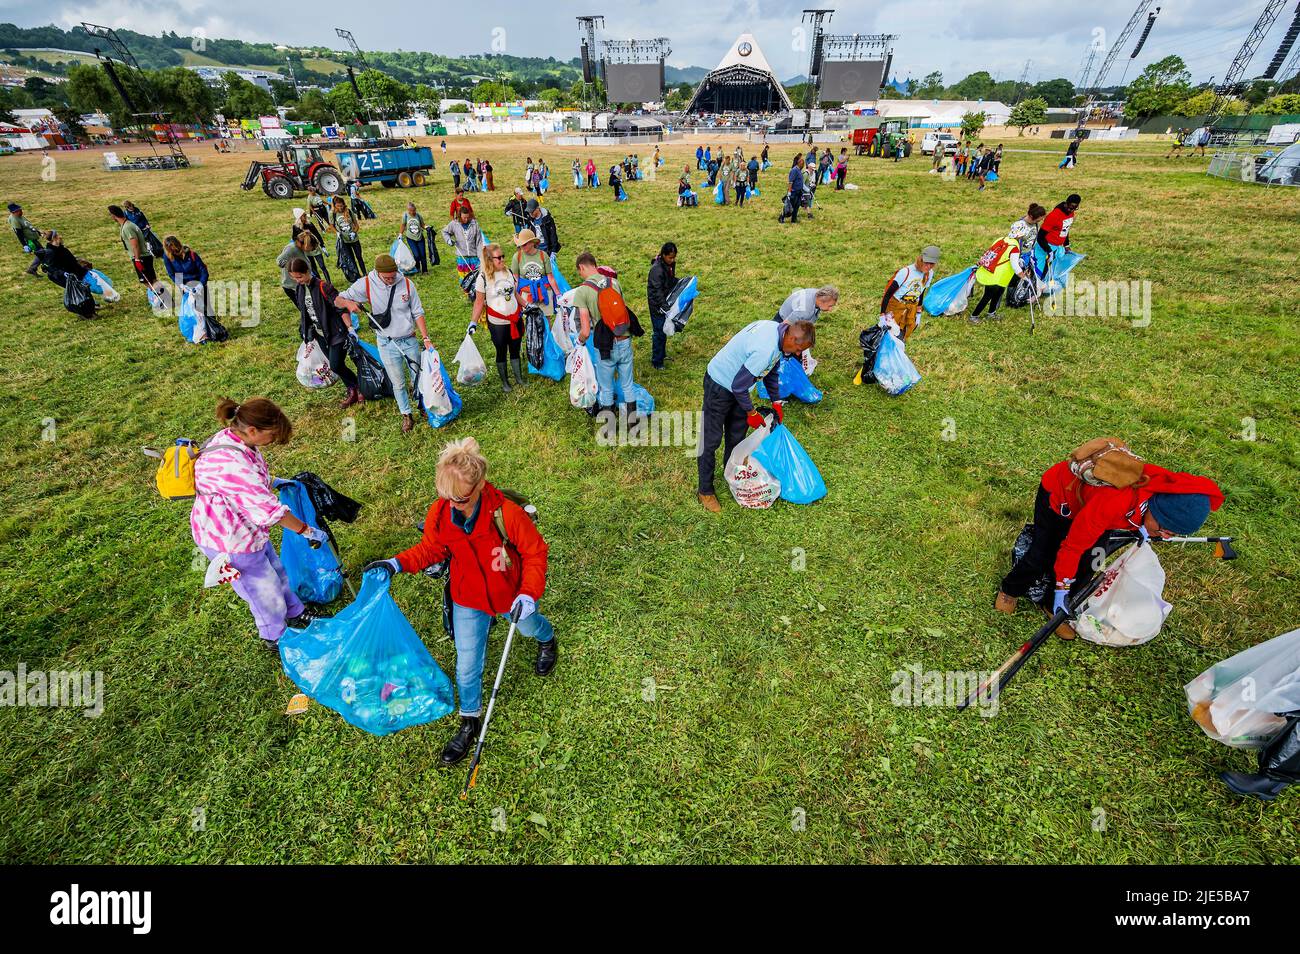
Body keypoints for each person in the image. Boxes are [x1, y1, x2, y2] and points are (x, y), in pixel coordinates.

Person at [363, 437, 556, 765]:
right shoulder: (441, 511)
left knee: (528, 627)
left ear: (480, 485)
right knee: (467, 665)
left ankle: (548, 639)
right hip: (467, 598)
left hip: (509, 595)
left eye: (462, 499)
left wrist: (527, 593)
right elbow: (432, 549)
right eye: (448, 499)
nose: (454, 506)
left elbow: (535, 552)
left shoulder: (506, 514)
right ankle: (469, 721)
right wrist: (397, 563)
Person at [996, 453, 1223, 639]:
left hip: (1105, 513)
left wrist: (1141, 528)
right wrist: (1061, 588)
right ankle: (1011, 590)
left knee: (1093, 559)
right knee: (1044, 552)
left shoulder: (1162, 497)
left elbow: (1092, 546)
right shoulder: (1114, 502)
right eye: (1163, 528)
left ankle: (1053, 607)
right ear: (1156, 509)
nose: (1164, 536)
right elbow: (1072, 547)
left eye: (1172, 534)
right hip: (1061, 496)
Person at [190, 397, 328, 647]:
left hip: (248, 531)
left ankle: (295, 611)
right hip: (229, 540)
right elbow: (269, 511)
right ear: (253, 430)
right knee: (263, 590)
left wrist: (273, 481)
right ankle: (275, 636)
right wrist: (306, 530)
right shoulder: (232, 463)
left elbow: (248, 480)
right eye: (272, 436)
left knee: (276, 571)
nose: (273, 441)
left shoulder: (236, 438)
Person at [696, 319, 816, 512]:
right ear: (791, 337)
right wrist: (751, 412)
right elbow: (738, 386)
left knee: (736, 438)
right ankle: (705, 490)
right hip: (719, 385)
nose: (798, 353)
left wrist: (776, 401)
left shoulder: (777, 334)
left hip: (740, 389)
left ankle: (731, 473)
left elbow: (771, 370)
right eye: (798, 348)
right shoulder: (765, 349)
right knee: (711, 440)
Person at [335, 253, 434, 434]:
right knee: (398, 382)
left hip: (409, 339)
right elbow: (337, 299)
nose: (391, 280)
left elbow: (418, 312)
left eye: (393, 276)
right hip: (387, 342)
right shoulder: (366, 284)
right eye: (386, 278)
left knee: (418, 377)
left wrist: (426, 338)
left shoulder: (407, 284)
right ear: (377, 273)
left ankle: (423, 406)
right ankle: (406, 414)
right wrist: (350, 304)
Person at [574, 251, 642, 418]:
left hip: (605, 346)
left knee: (606, 388)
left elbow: (584, 330)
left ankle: (609, 429)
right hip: (624, 338)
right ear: (594, 265)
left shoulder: (582, 291)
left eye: (579, 272)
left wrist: (579, 343)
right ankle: (633, 425)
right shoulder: (614, 282)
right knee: (628, 385)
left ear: (582, 267)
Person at [287, 258, 361, 408]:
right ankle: (353, 389)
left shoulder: (323, 287)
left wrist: (350, 328)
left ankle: (358, 387)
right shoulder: (300, 289)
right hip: (320, 335)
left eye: (299, 277)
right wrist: (307, 333)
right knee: (337, 365)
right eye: (294, 278)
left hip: (336, 333)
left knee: (335, 365)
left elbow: (341, 307)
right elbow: (305, 312)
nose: (297, 280)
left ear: (307, 271)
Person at [969, 204, 1046, 323]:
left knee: (999, 291)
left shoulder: (1004, 240)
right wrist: (1025, 278)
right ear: (1019, 234)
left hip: (1000, 275)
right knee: (988, 295)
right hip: (993, 274)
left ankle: (991, 313)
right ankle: (974, 316)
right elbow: (1015, 266)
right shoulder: (1014, 248)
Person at [468, 242, 525, 392]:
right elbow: (479, 302)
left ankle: (519, 378)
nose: (502, 260)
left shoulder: (509, 272)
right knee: (501, 351)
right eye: (498, 258)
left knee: (515, 348)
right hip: (497, 323)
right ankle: (505, 382)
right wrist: (473, 322)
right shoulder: (483, 278)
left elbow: (514, 293)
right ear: (489, 260)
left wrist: (527, 305)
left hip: (515, 319)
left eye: (503, 256)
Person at [878, 246, 939, 342]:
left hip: (911, 309)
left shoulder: (929, 274)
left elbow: (921, 292)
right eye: (926, 263)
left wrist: (918, 313)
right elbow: (888, 294)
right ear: (921, 259)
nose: (928, 266)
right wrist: (882, 315)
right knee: (888, 337)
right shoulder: (905, 272)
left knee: (902, 336)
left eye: (931, 264)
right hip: (895, 308)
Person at [110, 204, 160, 297]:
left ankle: (164, 298)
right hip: (144, 256)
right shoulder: (128, 224)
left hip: (141, 257)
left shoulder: (127, 227)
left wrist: (137, 260)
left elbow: (135, 245)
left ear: (113, 215)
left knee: (147, 281)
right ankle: (164, 297)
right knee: (151, 279)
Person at [511, 228, 560, 316]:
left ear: (532, 243)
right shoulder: (517, 257)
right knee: (530, 323)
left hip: (544, 292)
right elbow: (515, 279)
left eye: (524, 244)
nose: (522, 247)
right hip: (526, 294)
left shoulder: (543, 255)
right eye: (520, 245)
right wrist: (513, 295)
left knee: (546, 322)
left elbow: (550, 277)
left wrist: (558, 295)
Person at [163, 235, 213, 317]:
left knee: (207, 307)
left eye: (175, 250)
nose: (174, 252)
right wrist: (181, 285)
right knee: (193, 310)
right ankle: (198, 328)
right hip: (185, 287)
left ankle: (214, 327)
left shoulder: (191, 254)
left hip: (198, 282)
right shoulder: (167, 257)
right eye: (171, 251)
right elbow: (171, 274)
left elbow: (203, 270)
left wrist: (201, 284)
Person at [646, 242, 678, 370]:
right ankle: (657, 362)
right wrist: (665, 306)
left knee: (664, 330)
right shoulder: (656, 270)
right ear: (663, 255)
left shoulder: (668, 265)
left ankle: (662, 354)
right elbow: (657, 291)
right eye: (670, 257)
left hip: (664, 303)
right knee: (659, 332)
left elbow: (669, 280)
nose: (672, 260)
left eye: (674, 257)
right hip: (657, 306)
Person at [441, 205, 485, 281]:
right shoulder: (454, 224)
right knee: (464, 279)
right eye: (464, 217)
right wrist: (448, 240)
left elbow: (479, 242)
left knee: (477, 278)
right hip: (462, 257)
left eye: (468, 217)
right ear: (459, 216)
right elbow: (444, 231)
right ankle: (465, 293)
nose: (466, 219)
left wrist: (481, 257)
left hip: (474, 256)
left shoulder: (475, 224)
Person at [1037, 194, 1081, 268]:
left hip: (1058, 248)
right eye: (1070, 208)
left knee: (1058, 274)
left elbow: (1065, 229)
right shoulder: (1054, 215)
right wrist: (1049, 251)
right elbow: (1040, 236)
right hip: (1046, 248)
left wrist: (1066, 245)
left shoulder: (1070, 213)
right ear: (1066, 204)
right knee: (1043, 275)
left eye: (1074, 208)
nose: (1071, 210)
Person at [331, 196, 365, 281]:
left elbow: (356, 224)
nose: (340, 208)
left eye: (341, 205)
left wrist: (354, 232)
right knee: (351, 259)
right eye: (338, 206)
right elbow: (331, 225)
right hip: (344, 241)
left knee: (359, 257)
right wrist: (337, 233)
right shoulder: (333, 214)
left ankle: (365, 273)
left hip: (354, 239)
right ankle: (357, 275)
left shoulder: (349, 211)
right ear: (335, 206)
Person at [7, 202, 43, 275]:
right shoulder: (14, 220)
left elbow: (28, 225)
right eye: (18, 210)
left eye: (20, 209)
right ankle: (34, 268)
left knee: (42, 253)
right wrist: (24, 245)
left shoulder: (19, 216)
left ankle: (33, 269)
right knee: (42, 253)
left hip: (33, 237)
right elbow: (19, 234)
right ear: (13, 212)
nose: (21, 211)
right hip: (30, 240)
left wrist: (38, 232)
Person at [399, 201, 428, 273]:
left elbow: (422, 225)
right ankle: (417, 268)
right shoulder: (405, 215)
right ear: (408, 210)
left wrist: (427, 227)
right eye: (411, 211)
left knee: (423, 254)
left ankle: (425, 270)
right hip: (410, 238)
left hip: (420, 237)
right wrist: (400, 234)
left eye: (414, 210)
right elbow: (403, 225)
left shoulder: (418, 215)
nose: (412, 212)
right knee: (417, 255)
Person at [778, 154, 805, 224]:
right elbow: (790, 182)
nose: (803, 166)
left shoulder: (799, 170)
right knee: (789, 206)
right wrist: (789, 192)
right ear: (799, 164)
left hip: (799, 192)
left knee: (797, 206)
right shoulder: (794, 170)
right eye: (802, 165)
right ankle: (781, 217)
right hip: (793, 192)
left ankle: (794, 219)